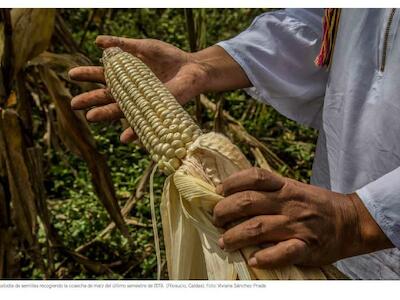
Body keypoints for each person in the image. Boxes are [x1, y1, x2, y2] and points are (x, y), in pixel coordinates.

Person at [68, 8, 400, 279]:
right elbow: (326, 23)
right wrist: (203, 67)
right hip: (330, 223)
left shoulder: (351, 221)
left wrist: (359, 219)